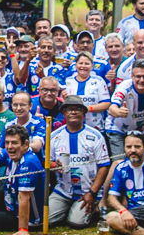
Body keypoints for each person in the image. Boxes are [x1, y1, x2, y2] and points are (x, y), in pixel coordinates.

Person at [46, 95, 110, 228]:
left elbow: (104, 166)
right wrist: (54, 165)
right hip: (63, 191)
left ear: (83, 113)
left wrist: (92, 192)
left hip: (87, 191)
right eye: (70, 109)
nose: (73, 112)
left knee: (76, 222)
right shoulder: (54, 136)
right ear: (64, 113)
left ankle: (91, 207)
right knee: (47, 219)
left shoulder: (95, 136)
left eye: (78, 109)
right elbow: (47, 161)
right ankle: (68, 209)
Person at [0, 125, 45, 235]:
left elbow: (24, 198)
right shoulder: (8, 153)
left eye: (14, 143)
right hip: (10, 199)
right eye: (7, 143)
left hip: (27, 216)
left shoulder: (29, 162)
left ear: (25, 144)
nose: (10, 147)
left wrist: (23, 229)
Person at [106, 62, 144, 160]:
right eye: (138, 76)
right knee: (119, 162)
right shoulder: (124, 87)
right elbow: (111, 109)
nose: (142, 80)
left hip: (143, 130)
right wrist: (118, 112)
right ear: (132, 77)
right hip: (119, 129)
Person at [62, 52, 111, 130]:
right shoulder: (68, 81)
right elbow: (62, 105)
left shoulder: (99, 81)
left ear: (92, 66)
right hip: (72, 127)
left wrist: (87, 108)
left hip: (95, 127)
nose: (83, 66)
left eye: (87, 64)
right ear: (76, 65)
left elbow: (106, 104)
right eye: (80, 63)